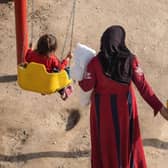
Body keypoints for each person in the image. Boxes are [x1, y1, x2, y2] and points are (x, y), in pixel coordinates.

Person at [78, 25, 168, 168]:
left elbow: (87, 86)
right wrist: (161, 109)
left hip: (102, 113)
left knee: (105, 143)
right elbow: (143, 87)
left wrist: (79, 77)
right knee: (125, 143)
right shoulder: (130, 60)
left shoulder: (94, 63)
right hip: (124, 111)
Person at [25, 34, 73, 100]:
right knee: (63, 72)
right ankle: (63, 94)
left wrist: (30, 49)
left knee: (40, 72)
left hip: (35, 80)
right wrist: (67, 58)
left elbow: (27, 58)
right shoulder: (52, 59)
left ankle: (43, 91)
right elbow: (61, 67)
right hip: (48, 84)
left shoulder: (32, 54)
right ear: (53, 50)